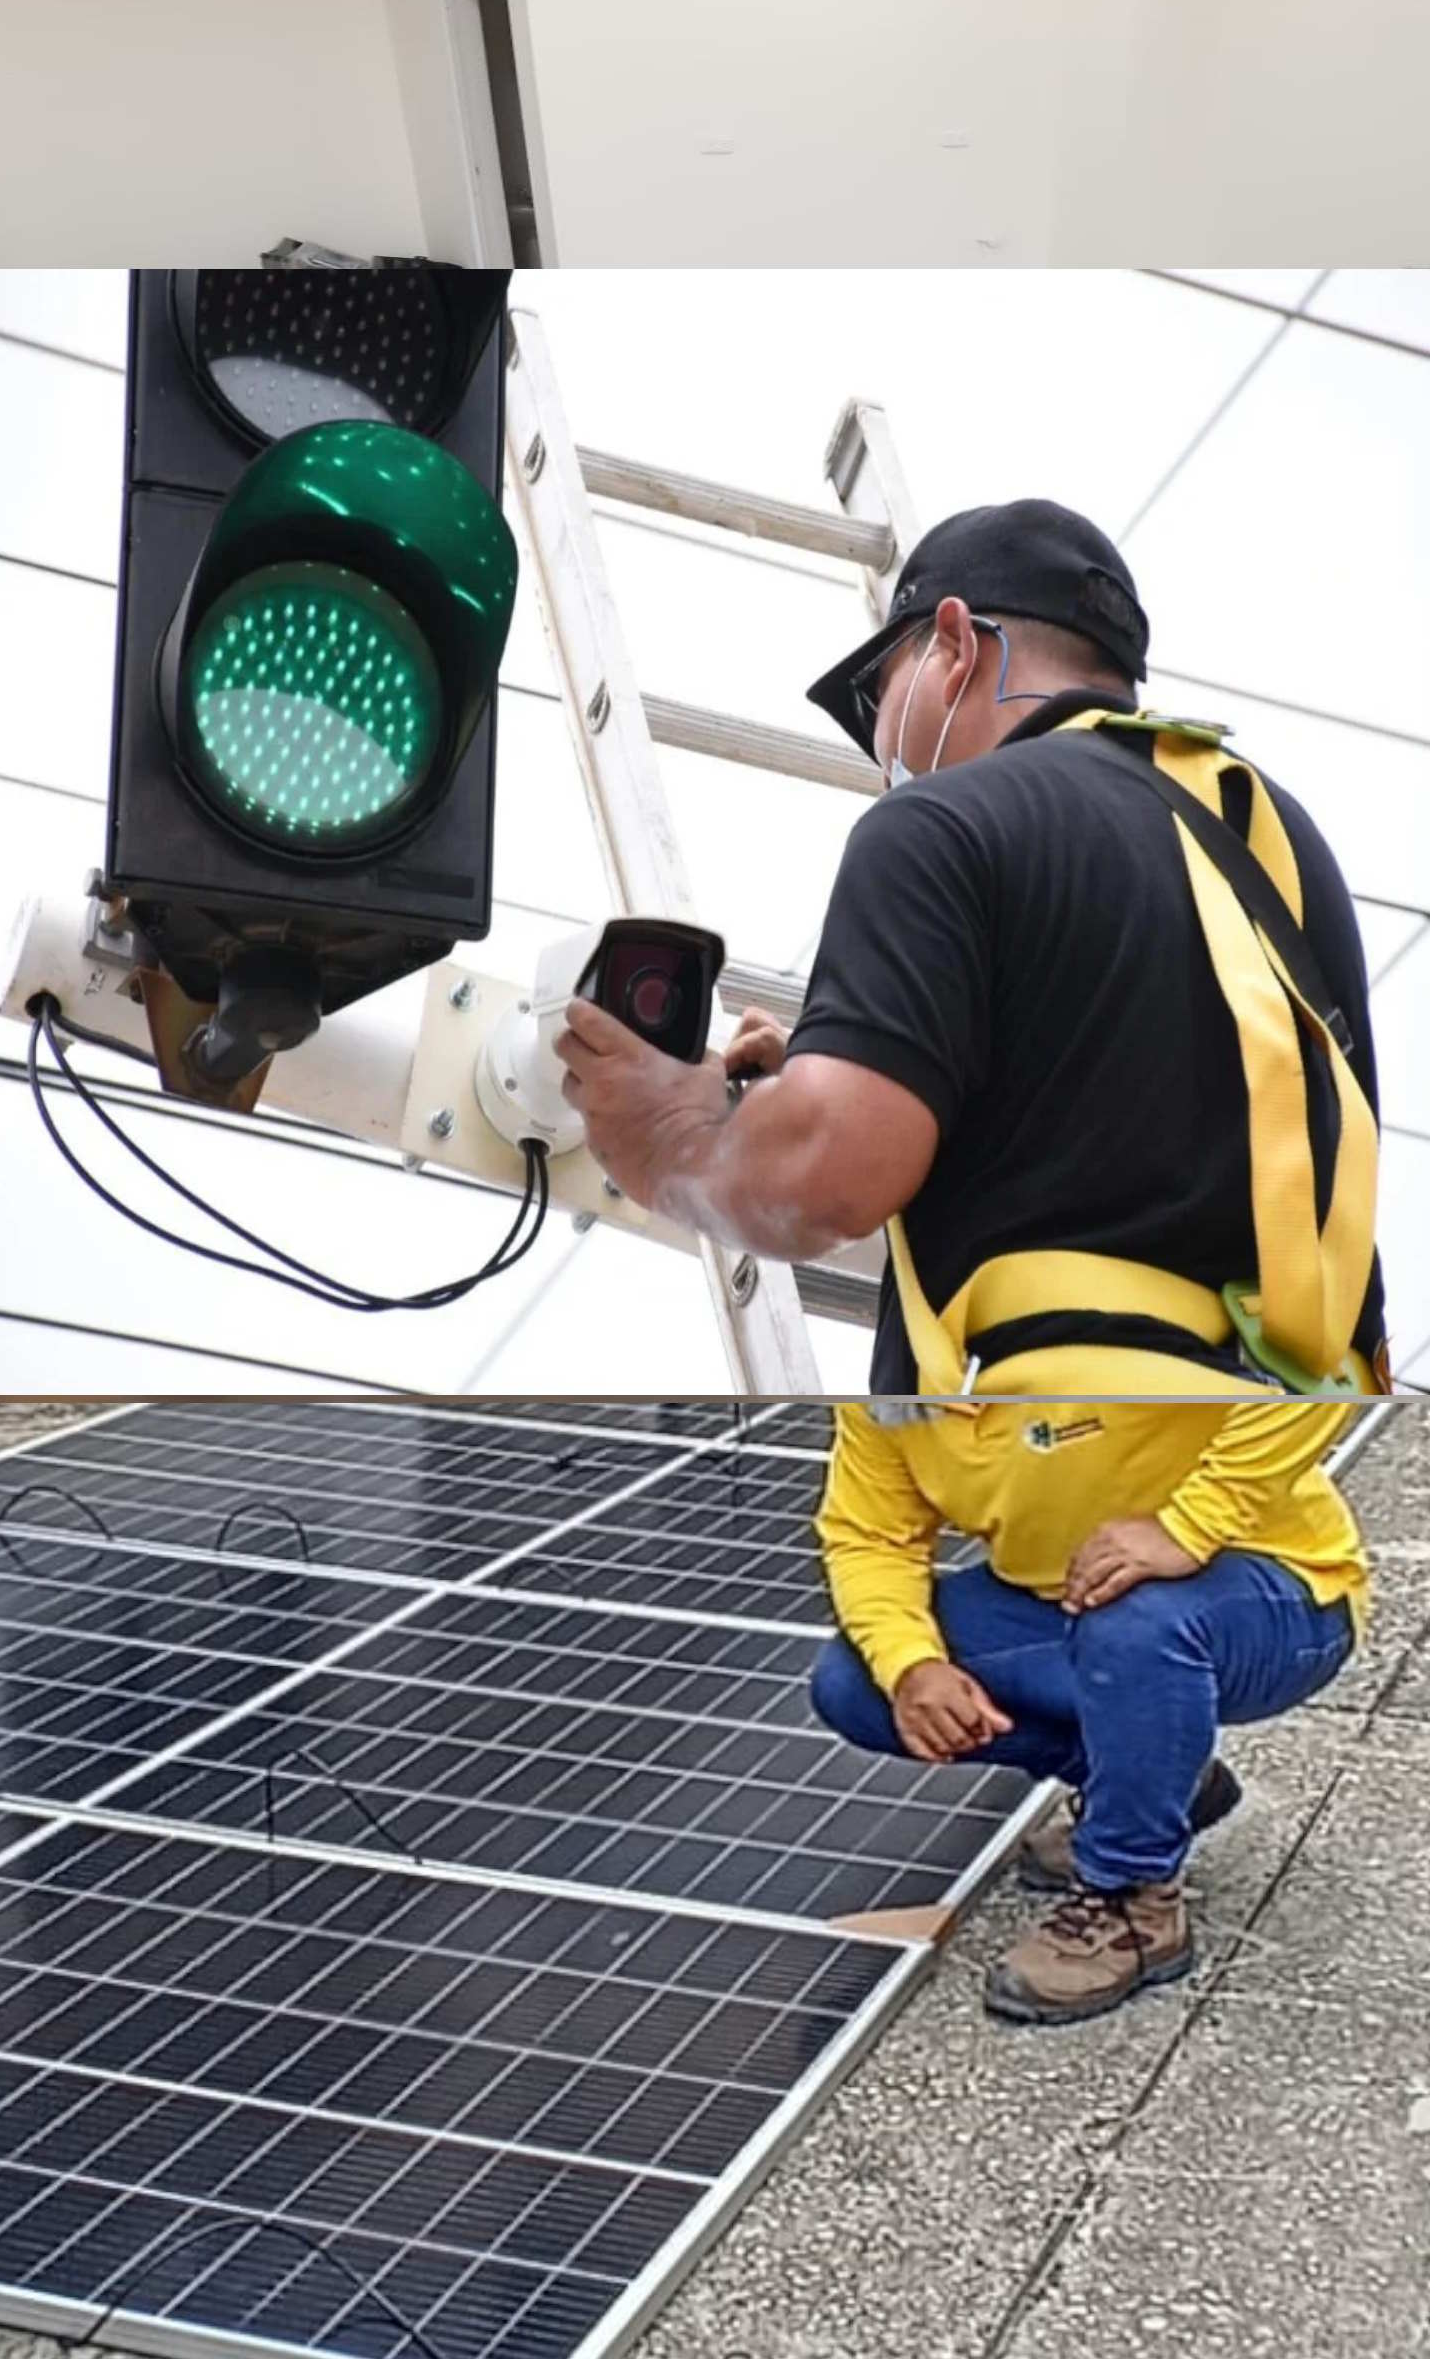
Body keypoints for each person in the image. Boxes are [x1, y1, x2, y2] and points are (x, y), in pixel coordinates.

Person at [553, 498, 1388, 1404]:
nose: (883, 758)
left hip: (1072, 1455)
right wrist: (895, 1065)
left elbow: (831, 1176)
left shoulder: (936, 824)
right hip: (1311, 1457)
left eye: (879, 697)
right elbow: (1141, 1120)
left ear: (954, 645)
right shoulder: (1274, 847)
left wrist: (670, 1137)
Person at [809, 1389, 1367, 2022]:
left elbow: (1320, 1368)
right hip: (1075, 1602)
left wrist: (1187, 1527)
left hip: (1276, 1594)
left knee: (1135, 1625)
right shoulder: (891, 1381)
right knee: (859, 1682)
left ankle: (1132, 1899)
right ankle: (1153, 1788)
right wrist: (911, 1663)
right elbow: (870, 1536)